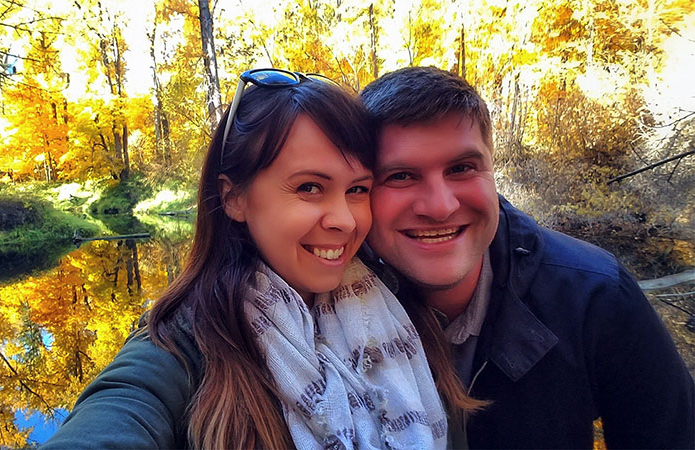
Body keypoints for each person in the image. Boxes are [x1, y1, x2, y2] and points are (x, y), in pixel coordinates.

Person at [43, 69, 471, 449]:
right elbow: (124, 409)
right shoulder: (185, 346)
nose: (344, 220)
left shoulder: (400, 307)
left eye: (357, 189)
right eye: (309, 188)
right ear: (233, 197)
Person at [358, 66, 695, 449]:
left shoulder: (595, 296)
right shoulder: (318, 306)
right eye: (400, 176)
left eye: (461, 168)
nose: (440, 207)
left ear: (491, 170)